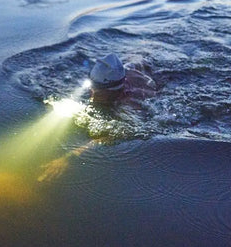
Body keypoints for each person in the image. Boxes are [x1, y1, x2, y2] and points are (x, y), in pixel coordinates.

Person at [37, 53, 156, 182]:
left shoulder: (135, 101)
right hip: (131, 66)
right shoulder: (104, 85)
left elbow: (121, 132)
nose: (93, 97)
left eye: (101, 94)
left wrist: (70, 157)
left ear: (117, 92)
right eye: (93, 90)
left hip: (148, 76)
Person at [87, 53, 157, 105]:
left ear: (115, 92)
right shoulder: (121, 71)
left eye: (99, 93)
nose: (93, 96)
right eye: (92, 88)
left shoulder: (139, 98)